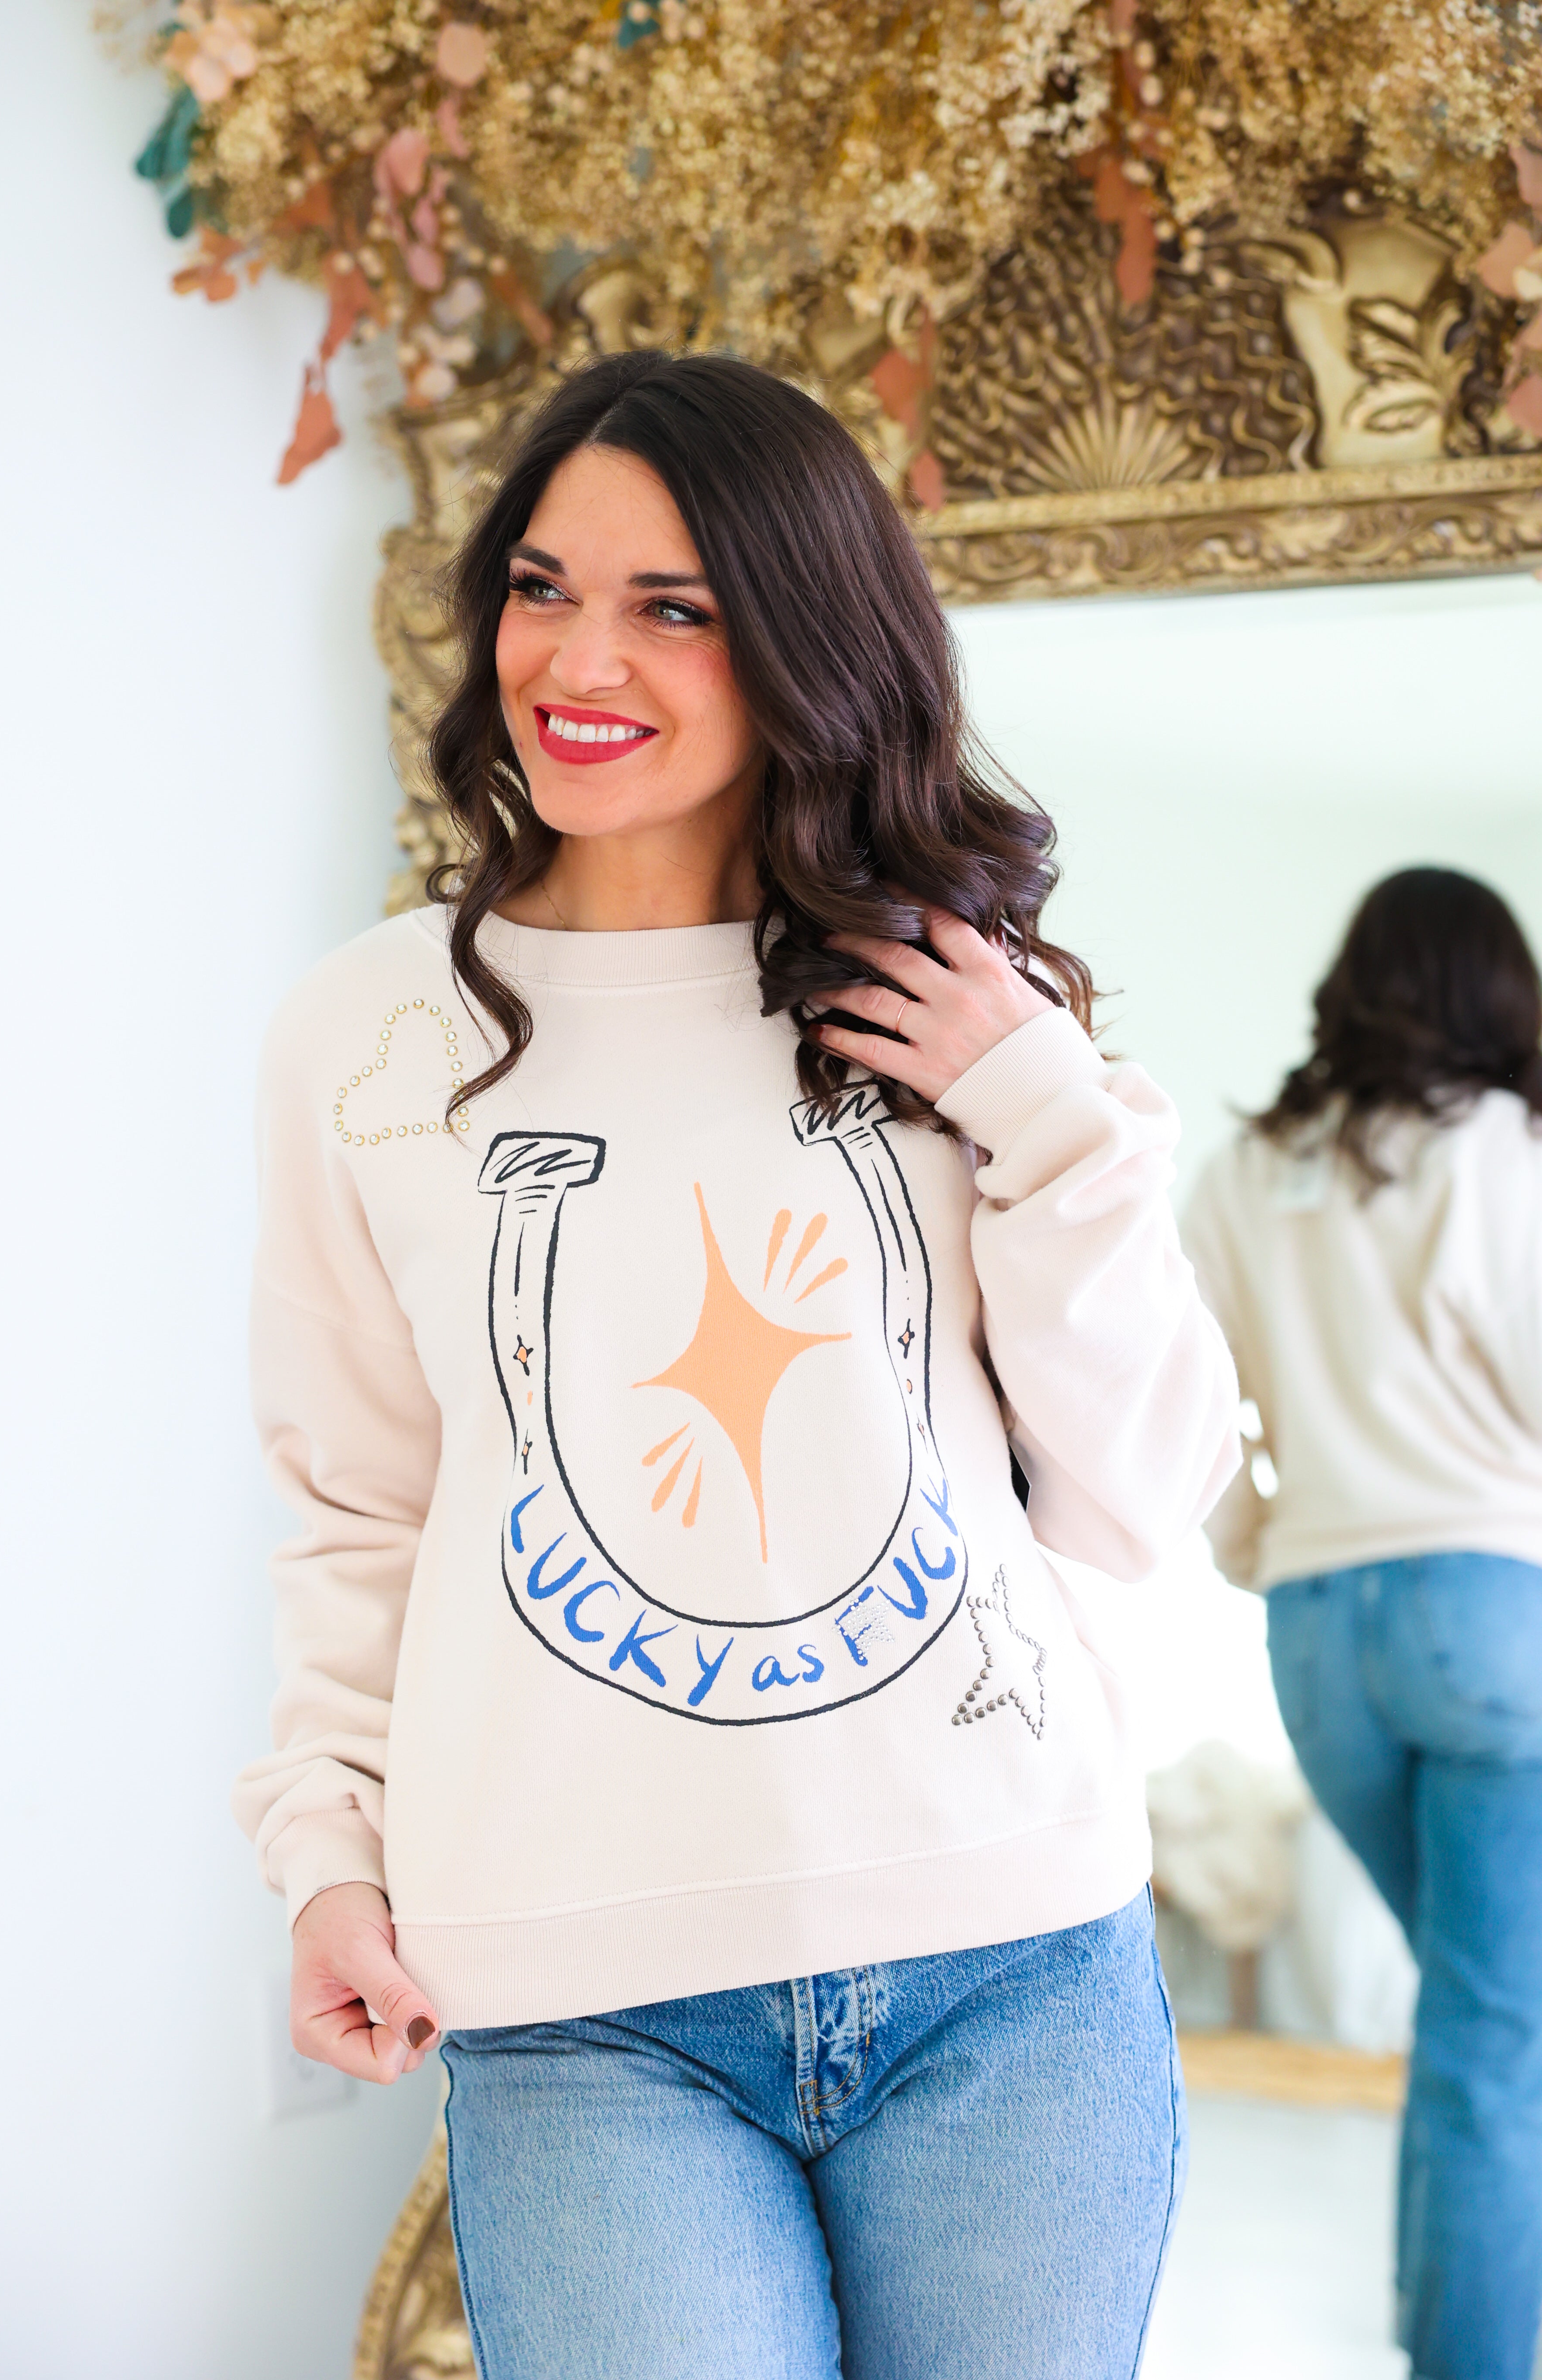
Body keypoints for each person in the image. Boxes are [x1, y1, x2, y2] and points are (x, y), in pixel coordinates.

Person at [235, 349, 1238, 2380]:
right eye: (542, 588)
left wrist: (1049, 1112)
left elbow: (1149, 1490)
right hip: (584, 2006)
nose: (578, 658)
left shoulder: (957, 1005)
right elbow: (358, 1507)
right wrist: (326, 1855)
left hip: (1009, 1959)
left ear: (802, 642)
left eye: (672, 607)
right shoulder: (372, 1035)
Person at [1183, 868, 1542, 2380]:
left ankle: (1443, 2329)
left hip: (1321, 1635)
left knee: (1479, 2017)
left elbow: (1185, 1407)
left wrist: (1256, 1548)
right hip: (1493, 1610)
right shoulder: (1502, 1146)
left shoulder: (1244, 1172)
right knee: (1495, 2033)